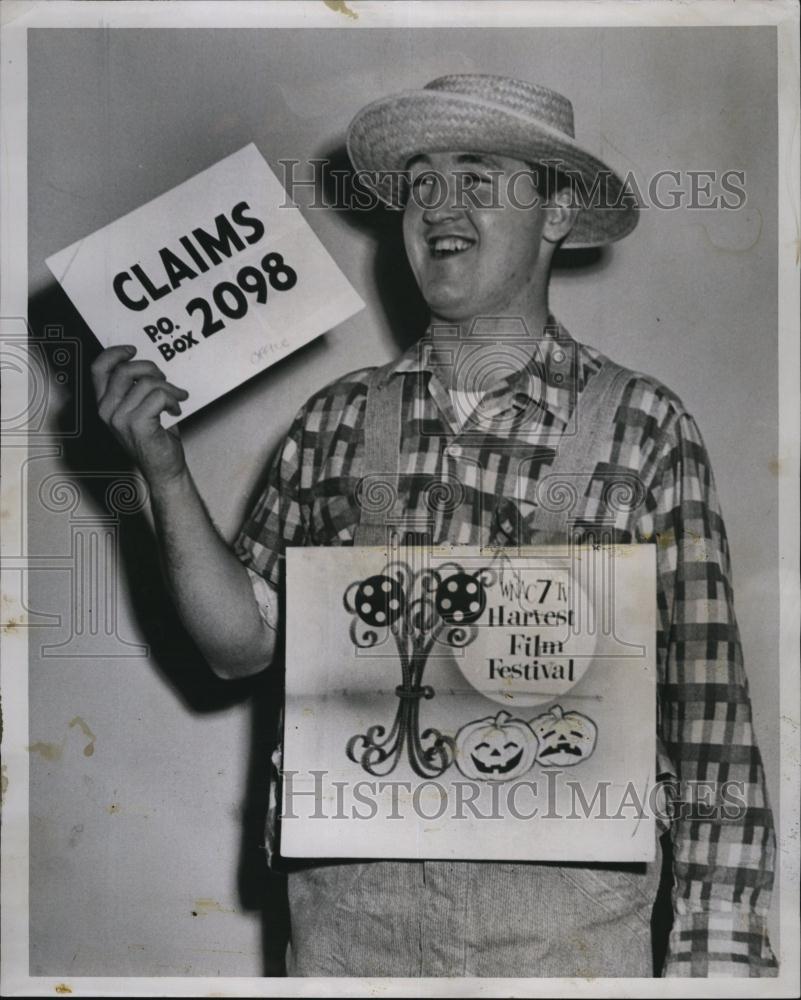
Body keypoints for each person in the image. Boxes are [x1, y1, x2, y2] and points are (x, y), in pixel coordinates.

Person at [92, 74, 777, 977]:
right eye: (420, 183)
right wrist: (164, 472)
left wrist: (718, 959)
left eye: (477, 177)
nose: (438, 206)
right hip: (350, 928)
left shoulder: (643, 426)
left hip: (567, 937)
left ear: (556, 212)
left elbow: (709, 710)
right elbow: (238, 647)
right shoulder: (334, 421)